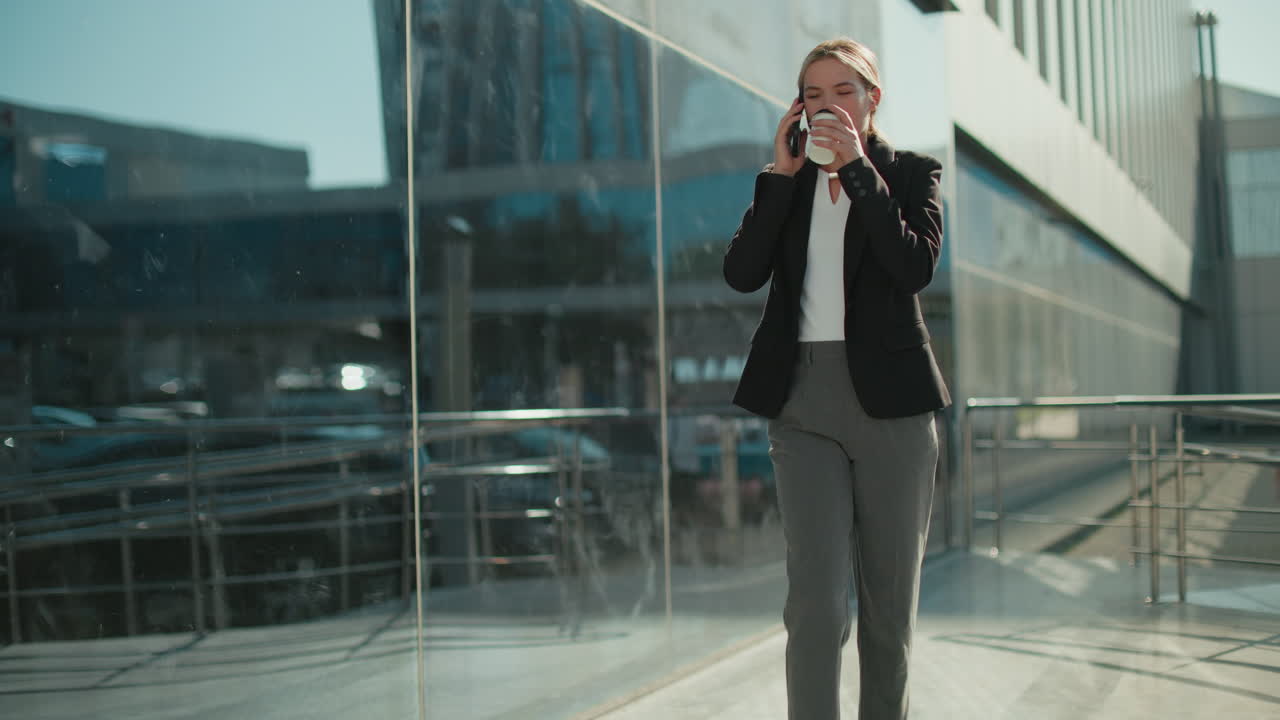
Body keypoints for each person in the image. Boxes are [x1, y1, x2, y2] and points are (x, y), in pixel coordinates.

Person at [723, 38, 949, 720]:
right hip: (802, 402)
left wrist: (858, 171)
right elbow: (741, 274)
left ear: (871, 101)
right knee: (815, 606)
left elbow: (913, 267)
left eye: (843, 92)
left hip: (894, 410)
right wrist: (781, 176)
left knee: (888, 614)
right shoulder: (786, 185)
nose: (827, 107)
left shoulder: (910, 174)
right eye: (812, 95)